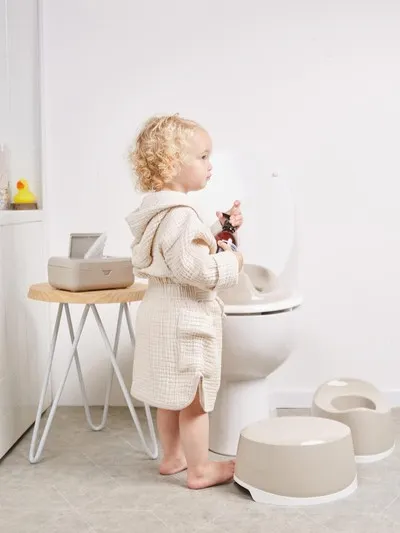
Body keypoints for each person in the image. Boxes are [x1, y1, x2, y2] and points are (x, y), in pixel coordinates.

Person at [126, 114, 243, 489]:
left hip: (160, 314)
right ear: (173, 163)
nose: (211, 164)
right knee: (194, 400)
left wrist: (220, 230)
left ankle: (173, 457)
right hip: (184, 321)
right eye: (203, 156)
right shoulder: (182, 216)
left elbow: (178, 254)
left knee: (170, 395)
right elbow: (195, 269)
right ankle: (200, 470)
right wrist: (232, 260)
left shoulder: (158, 212)